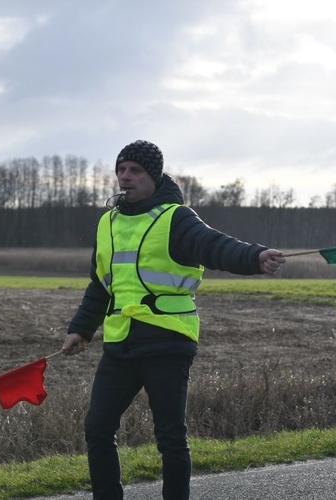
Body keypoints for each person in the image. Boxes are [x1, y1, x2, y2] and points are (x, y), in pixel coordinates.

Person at [61, 139, 285, 500]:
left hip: (167, 340)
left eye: (134, 170)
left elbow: (215, 246)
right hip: (120, 345)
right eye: (120, 170)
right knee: (98, 427)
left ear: (154, 176)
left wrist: (254, 257)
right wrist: (81, 329)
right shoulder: (108, 223)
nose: (125, 177)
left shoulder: (175, 217)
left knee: (170, 436)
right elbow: (100, 285)